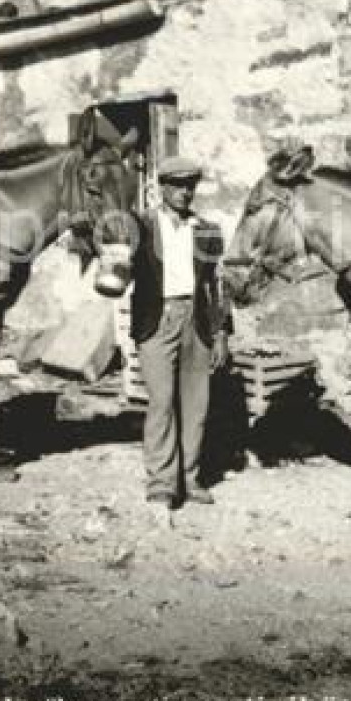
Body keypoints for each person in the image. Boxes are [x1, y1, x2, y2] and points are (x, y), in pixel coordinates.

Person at [132, 156, 231, 512]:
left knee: (196, 404)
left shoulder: (206, 230)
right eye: (176, 185)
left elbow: (217, 286)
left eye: (190, 186)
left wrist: (220, 332)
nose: (184, 193)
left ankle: (189, 479)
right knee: (161, 402)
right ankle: (161, 483)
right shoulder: (140, 226)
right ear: (162, 187)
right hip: (156, 320)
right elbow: (118, 264)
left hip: (196, 319)